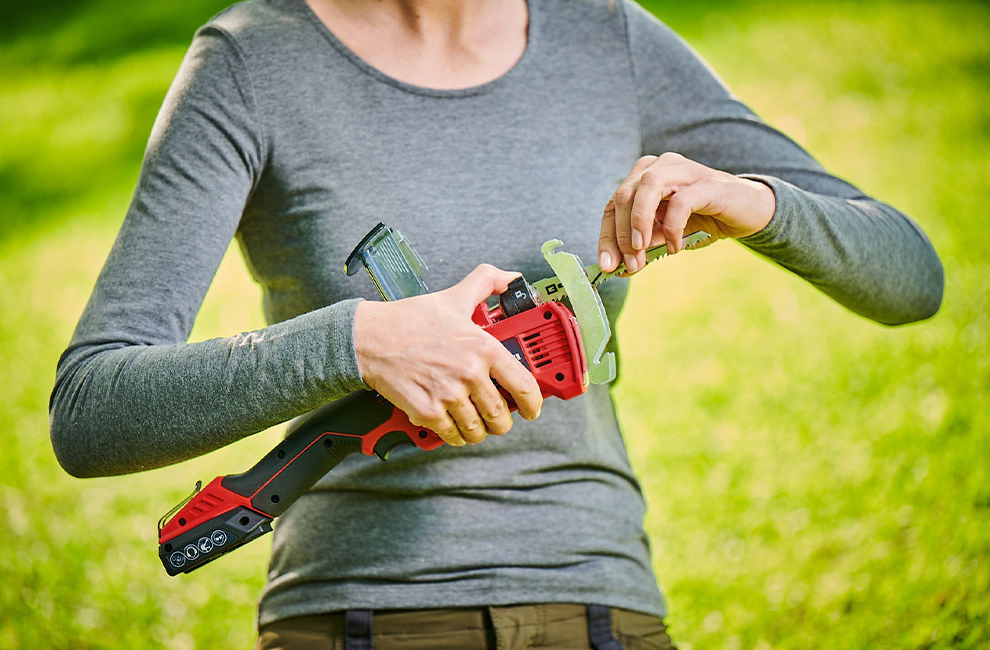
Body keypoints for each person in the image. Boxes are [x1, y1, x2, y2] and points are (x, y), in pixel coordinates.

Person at [49, 0, 944, 648]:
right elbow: (92, 412)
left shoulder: (607, 37)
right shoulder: (253, 61)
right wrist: (359, 341)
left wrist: (756, 201)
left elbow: (911, 278)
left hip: (597, 601)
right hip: (356, 612)